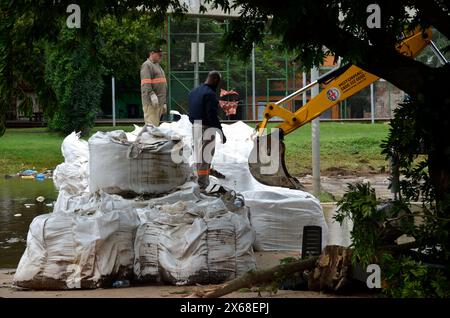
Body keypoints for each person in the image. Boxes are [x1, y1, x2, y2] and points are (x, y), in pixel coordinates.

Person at [188, 71, 227, 190]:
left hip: (195, 126)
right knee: (205, 158)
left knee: (198, 156)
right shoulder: (210, 94)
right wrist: (221, 132)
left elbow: (190, 111)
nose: (218, 85)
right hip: (206, 128)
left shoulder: (193, 92)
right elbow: (212, 115)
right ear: (215, 80)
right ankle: (202, 186)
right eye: (218, 82)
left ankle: (197, 180)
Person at [140, 48, 167, 126]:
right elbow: (145, 83)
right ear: (152, 53)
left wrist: (164, 102)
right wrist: (151, 94)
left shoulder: (158, 66)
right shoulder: (147, 65)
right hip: (151, 103)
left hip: (158, 103)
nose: (161, 57)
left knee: (155, 128)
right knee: (151, 128)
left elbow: (163, 85)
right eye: (159, 55)